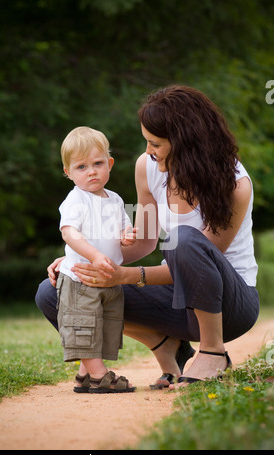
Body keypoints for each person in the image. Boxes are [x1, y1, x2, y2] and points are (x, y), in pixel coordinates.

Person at [36, 85, 259, 388]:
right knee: (56, 291)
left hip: (230, 305)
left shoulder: (235, 186)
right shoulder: (149, 168)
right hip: (177, 300)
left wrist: (125, 276)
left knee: (185, 240)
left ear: (186, 142)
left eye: (155, 143)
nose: (148, 151)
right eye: (146, 142)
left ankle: (213, 351)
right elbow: (145, 241)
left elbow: (195, 262)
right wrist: (84, 257)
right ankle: (164, 343)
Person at [55, 126, 137, 393]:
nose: (91, 171)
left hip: (108, 278)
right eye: (81, 167)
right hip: (81, 278)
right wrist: (95, 254)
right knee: (83, 325)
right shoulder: (75, 200)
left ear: (109, 164)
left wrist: (126, 236)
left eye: (98, 163)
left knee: (100, 326)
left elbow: (122, 228)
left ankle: (84, 376)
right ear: (68, 172)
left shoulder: (115, 199)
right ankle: (101, 377)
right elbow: (69, 233)